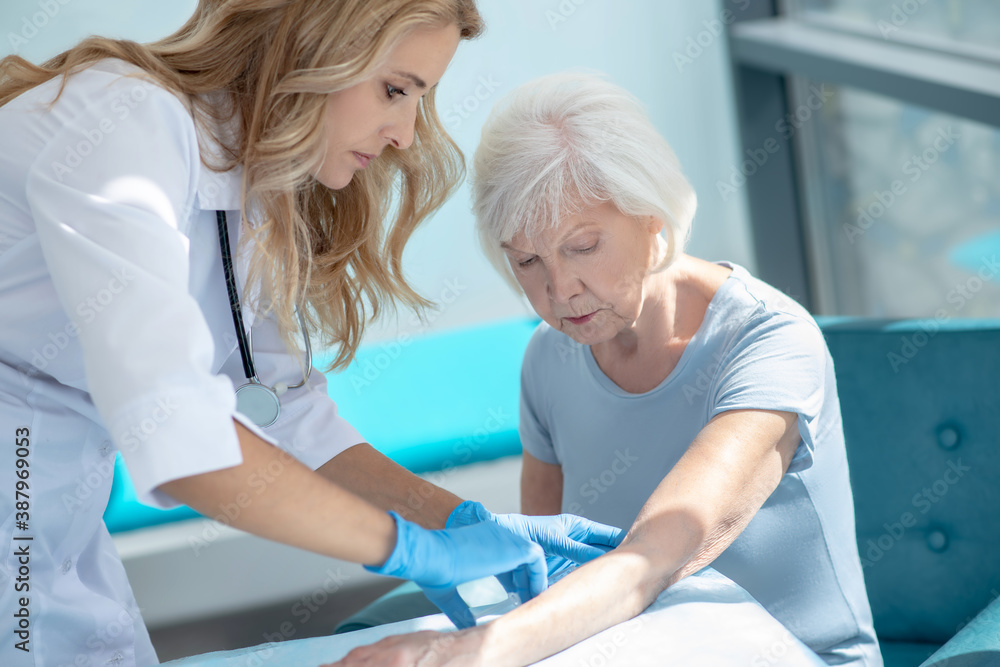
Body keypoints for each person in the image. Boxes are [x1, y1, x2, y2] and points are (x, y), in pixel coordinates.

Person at [0, 5, 623, 665]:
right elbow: (176, 427)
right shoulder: (126, 126)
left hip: (50, 521)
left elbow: (286, 411)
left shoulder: (244, 181)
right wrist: (403, 545)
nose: (407, 135)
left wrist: (457, 519)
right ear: (310, 46)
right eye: (395, 89)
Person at [331, 73, 884, 666]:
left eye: (584, 245)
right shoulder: (549, 356)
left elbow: (656, 556)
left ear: (652, 215)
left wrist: (458, 654)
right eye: (527, 260)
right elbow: (535, 574)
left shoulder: (771, 342)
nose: (560, 289)